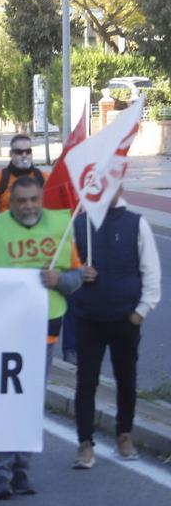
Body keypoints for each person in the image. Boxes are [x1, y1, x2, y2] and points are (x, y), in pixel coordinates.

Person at [0, 175, 83, 499]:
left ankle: (22, 471)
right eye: (21, 201)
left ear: (41, 199)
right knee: (3, 401)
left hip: (44, 333)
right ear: (11, 202)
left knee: (31, 404)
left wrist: (59, 278)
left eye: (34, 200)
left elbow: (77, 277)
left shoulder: (61, 226)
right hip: (4, 332)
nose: (29, 206)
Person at [71, 186, 161, 468]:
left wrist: (141, 311)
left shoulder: (136, 223)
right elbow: (61, 269)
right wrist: (77, 274)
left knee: (127, 380)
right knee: (86, 382)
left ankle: (125, 435)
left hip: (125, 319)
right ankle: (85, 444)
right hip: (88, 318)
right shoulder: (79, 224)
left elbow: (151, 271)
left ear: (119, 186)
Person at [0, 134, 45, 219]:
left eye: (28, 151)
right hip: (6, 231)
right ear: (11, 154)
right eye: (19, 152)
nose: (24, 155)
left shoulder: (44, 178)